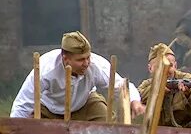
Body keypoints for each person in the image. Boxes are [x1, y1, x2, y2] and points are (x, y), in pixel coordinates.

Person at [10, 31, 144, 121]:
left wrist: (134, 101)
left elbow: (120, 85)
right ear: (65, 58)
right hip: (49, 110)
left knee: (106, 128)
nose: (86, 63)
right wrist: (13, 131)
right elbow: (23, 104)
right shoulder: (46, 69)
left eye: (88, 58)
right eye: (80, 60)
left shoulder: (96, 65)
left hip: (84, 105)